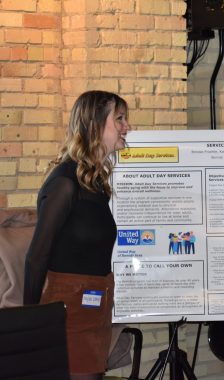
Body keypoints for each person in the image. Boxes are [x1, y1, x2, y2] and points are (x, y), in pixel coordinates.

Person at [23, 90, 131, 380]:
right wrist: (29, 321)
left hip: (95, 304)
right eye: (119, 119)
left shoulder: (94, 182)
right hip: (67, 311)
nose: (127, 127)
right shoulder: (64, 183)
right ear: (94, 125)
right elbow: (37, 256)